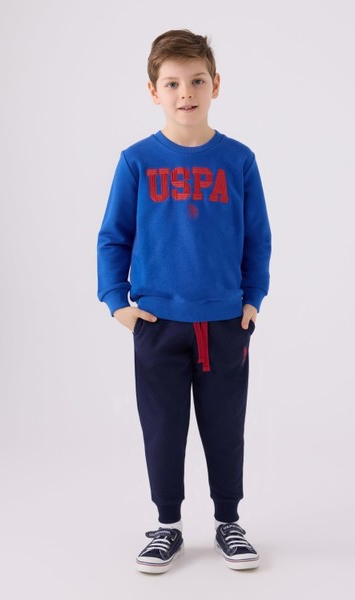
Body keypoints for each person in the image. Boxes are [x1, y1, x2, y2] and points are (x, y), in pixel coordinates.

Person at [97, 29, 272, 573]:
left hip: (224, 322)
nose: (185, 93)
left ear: (215, 84)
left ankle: (229, 521)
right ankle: (166, 525)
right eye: (171, 83)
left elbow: (257, 237)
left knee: (225, 426)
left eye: (196, 81)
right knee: (163, 428)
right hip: (156, 323)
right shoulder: (137, 161)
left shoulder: (238, 160)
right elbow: (113, 237)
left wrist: (253, 298)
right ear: (153, 91)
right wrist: (117, 302)